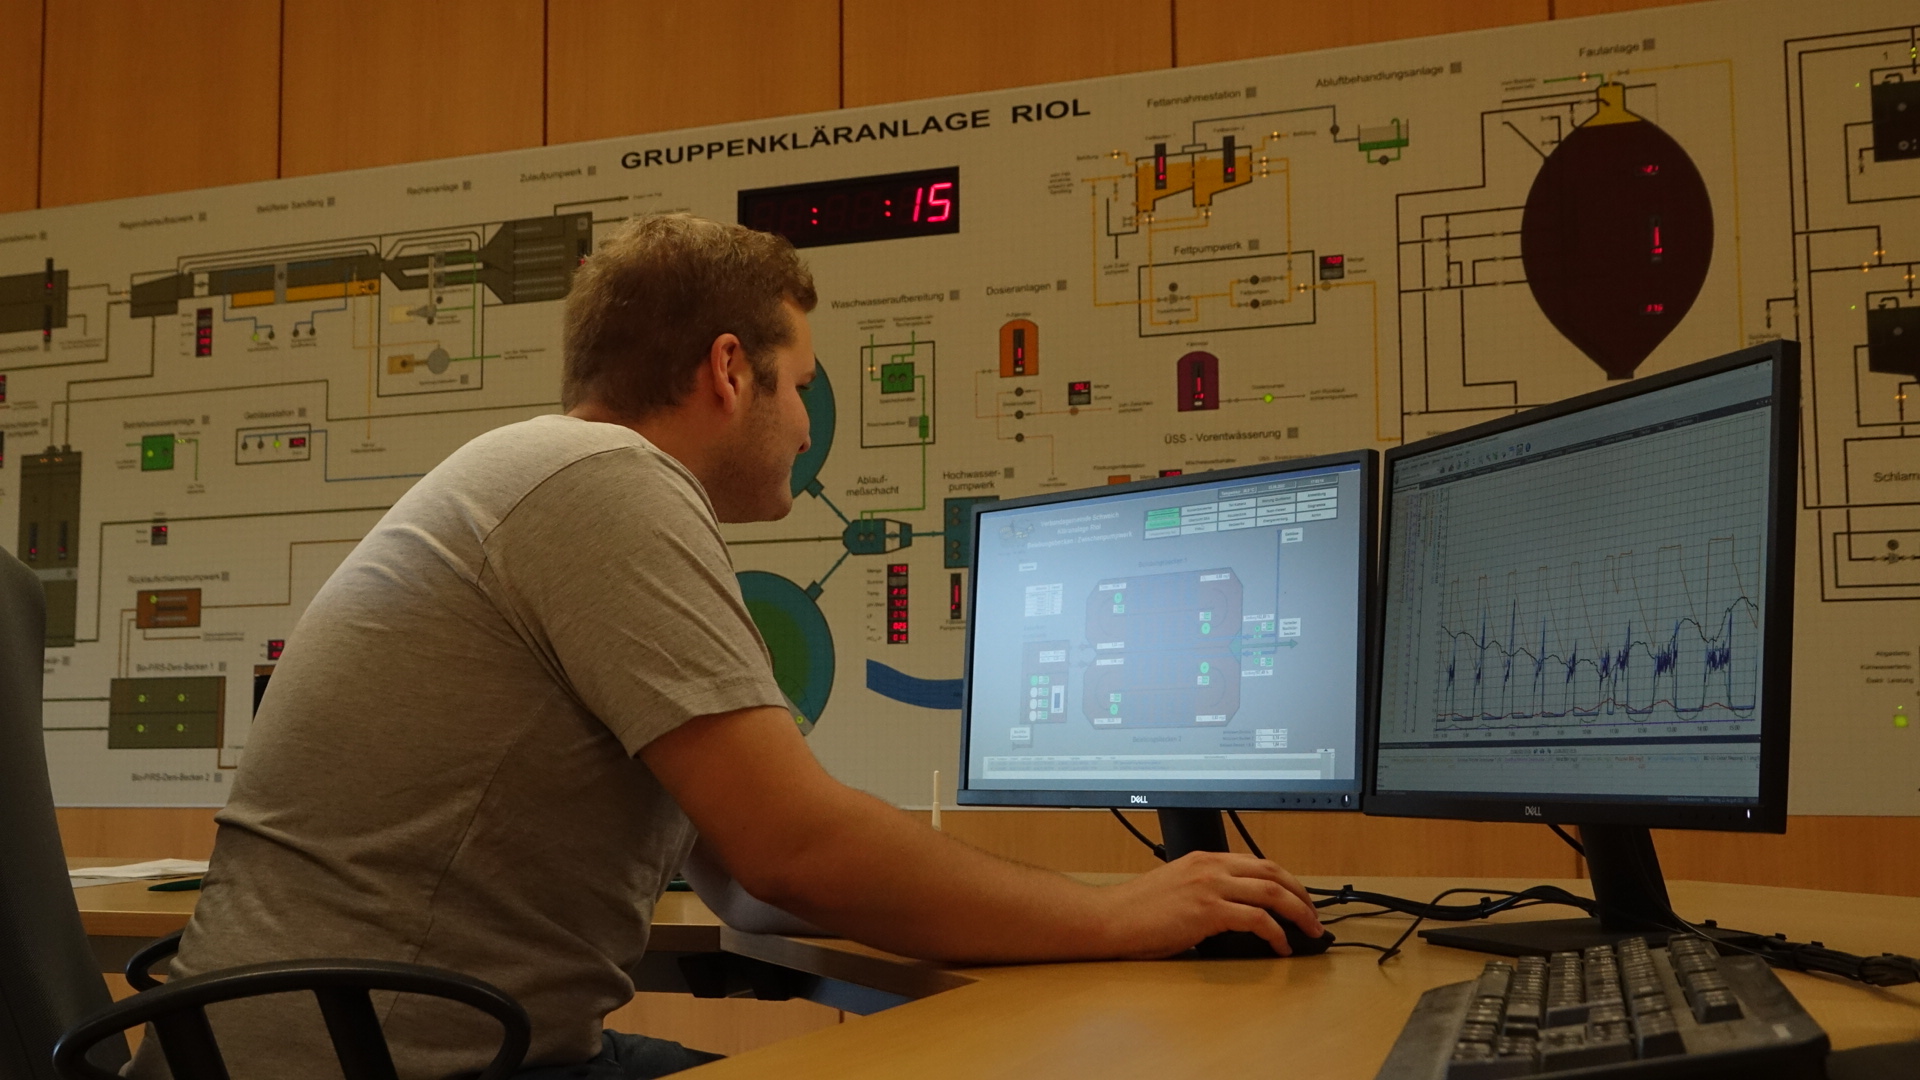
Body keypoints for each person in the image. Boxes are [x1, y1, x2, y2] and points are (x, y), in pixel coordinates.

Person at [126, 214, 1323, 1080]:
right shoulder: (604, 482)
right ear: (729, 370)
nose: (805, 427)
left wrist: (1076, 904)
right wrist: (1108, 919)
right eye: (801, 387)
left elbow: (745, 871)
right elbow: (793, 851)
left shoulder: (556, 482)